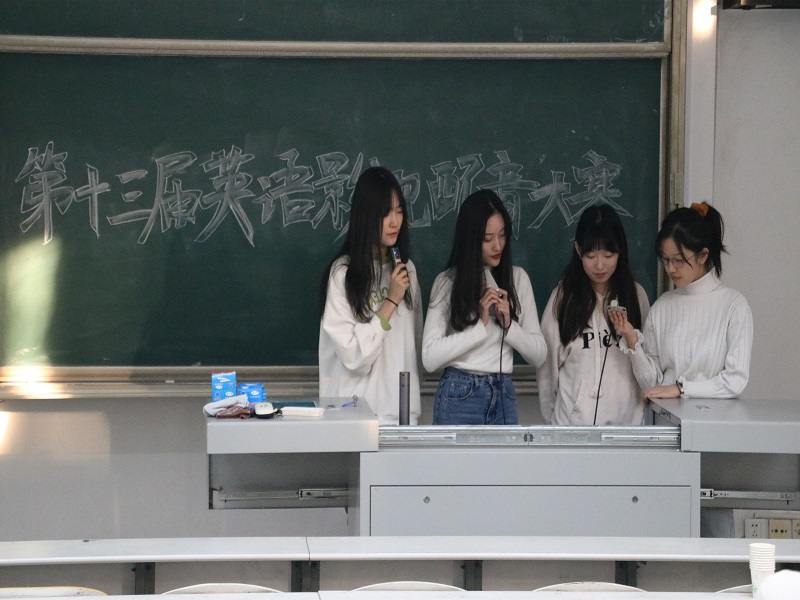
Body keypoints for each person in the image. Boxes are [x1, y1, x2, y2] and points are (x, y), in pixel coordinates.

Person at [422, 189, 547, 425]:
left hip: (503, 391)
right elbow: (429, 357)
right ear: (470, 239)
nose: (497, 245)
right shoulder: (447, 283)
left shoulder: (518, 279)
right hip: (460, 392)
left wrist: (509, 325)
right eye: (487, 239)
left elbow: (538, 355)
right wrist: (480, 326)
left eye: (502, 235)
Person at [610, 202, 753, 399]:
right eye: (665, 259)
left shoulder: (734, 306)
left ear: (703, 255)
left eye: (678, 260)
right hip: (665, 417)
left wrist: (681, 388)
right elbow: (652, 385)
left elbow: (735, 381)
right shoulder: (662, 306)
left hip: (712, 417)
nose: (670, 268)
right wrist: (632, 340)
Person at [318, 166, 423, 424]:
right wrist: (391, 301)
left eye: (399, 211)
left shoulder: (406, 269)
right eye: (385, 213)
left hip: (401, 415)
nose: (394, 222)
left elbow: (415, 345)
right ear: (366, 216)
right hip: (354, 417)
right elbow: (354, 357)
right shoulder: (344, 274)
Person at [537, 205, 650, 426]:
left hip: (626, 428)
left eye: (608, 255)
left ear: (620, 251)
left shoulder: (636, 297)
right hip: (572, 430)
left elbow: (647, 367)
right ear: (578, 249)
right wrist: (556, 427)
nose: (599, 265)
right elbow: (547, 371)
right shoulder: (562, 299)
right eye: (590, 255)